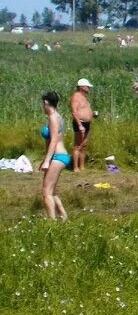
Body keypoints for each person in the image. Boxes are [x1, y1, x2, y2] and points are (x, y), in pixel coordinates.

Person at [39, 91, 69, 220]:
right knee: (52, 191)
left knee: (46, 192)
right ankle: (64, 217)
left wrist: (47, 161)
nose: (42, 107)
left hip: (58, 157)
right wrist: (45, 159)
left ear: (46, 103)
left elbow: (54, 140)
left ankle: (51, 223)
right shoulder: (57, 116)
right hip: (58, 156)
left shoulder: (52, 117)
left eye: (43, 104)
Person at [69, 78, 95, 173]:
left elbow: (85, 109)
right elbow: (74, 112)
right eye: (87, 87)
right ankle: (75, 167)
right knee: (78, 145)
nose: (89, 88)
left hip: (87, 123)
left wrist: (92, 114)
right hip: (80, 123)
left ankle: (82, 166)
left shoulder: (84, 97)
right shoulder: (75, 97)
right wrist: (80, 125)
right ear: (82, 87)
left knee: (84, 145)